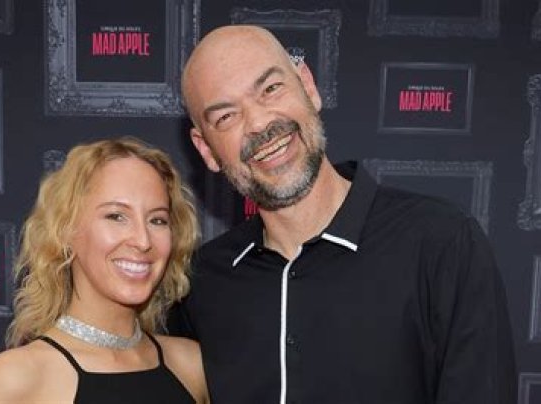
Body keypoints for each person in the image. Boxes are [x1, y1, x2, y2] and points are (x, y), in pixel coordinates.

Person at [170, 25, 516, 404]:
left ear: (308, 86)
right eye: (226, 116)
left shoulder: (441, 244)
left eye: (270, 89)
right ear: (206, 150)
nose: (258, 124)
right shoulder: (200, 282)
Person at [0, 138, 209, 403]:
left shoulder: (191, 366)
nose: (143, 240)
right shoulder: (19, 377)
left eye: (157, 220)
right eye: (116, 216)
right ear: (65, 231)